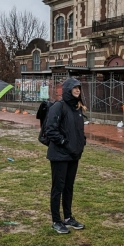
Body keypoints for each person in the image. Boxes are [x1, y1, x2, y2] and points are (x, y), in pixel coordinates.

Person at [44, 77, 87, 234]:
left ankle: (68, 218)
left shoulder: (77, 109)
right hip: (59, 155)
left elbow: (77, 131)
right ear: (68, 90)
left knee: (69, 187)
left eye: (79, 88)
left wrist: (82, 142)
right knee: (58, 187)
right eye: (74, 88)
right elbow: (51, 130)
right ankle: (56, 220)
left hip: (73, 155)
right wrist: (65, 143)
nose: (77, 90)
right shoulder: (58, 106)